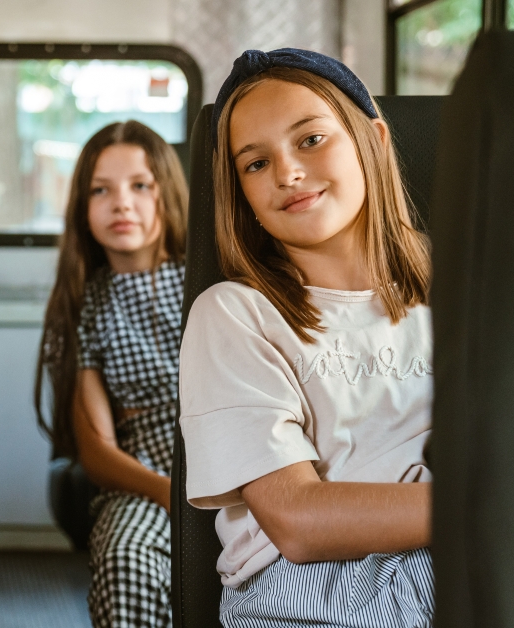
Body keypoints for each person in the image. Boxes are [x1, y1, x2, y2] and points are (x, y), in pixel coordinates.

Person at [179, 49, 434, 627]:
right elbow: (297, 519)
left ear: (373, 139)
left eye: (310, 140)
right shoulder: (235, 316)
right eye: (255, 164)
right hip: (310, 594)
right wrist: (491, 509)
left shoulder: (470, 290)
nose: (288, 173)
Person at [34, 121, 187, 627]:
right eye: (102, 190)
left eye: (140, 186)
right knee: (125, 556)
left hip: (248, 462)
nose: (121, 203)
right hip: (147, 478)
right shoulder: (84, 309)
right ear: (82, 206)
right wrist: (171, 494)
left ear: (168, 192)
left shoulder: (212, 280)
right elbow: (98, 452)